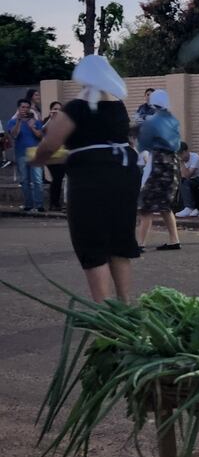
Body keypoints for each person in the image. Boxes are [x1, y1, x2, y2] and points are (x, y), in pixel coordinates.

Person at [31, 55, 140, 302]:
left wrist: (38, 159)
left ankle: (104, 315)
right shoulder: (118, 105)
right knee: (119, 241)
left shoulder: (76, 107)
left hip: (91, 179)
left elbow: (50, 144)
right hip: (124, 174)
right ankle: (126, 306)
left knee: (92, 242)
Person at [136, 90, 182, 251]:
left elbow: (143, 147)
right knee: (164, 205)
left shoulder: (151, 122)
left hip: (159, 164)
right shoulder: (173, 120)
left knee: (145, 206)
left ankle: (139, 244)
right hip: (173, 164)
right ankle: (174, 240)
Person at [6, 98, 44, 211]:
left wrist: (32, 126)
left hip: (35, 153)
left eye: (27, 107)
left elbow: (40, 136)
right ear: (18, 108)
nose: (25, 109)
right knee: (24, 180)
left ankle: (39, 205)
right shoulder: (12, 122)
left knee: (37, 180)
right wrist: (18, 121)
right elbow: (14, 135)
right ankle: (28, 204)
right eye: (23, 107)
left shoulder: (36, 121)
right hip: (21, 153)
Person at [42, 101, 66, 211]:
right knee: (57, 178)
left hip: (61, 153)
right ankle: (54, 203)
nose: (58, 111)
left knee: (59, 179)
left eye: (60, 109)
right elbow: (42, 131)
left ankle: (56, 203)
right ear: (51, 110)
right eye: (55, 109)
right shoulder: (47, 120)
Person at [175, 142, 199, 217]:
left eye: (180, 154)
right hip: (189, 181)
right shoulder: (180, 159)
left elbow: (187, 175)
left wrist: (181, 162)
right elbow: (182, 176)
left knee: (185, 181)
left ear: (185, 151)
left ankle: (189, 207)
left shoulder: (195, 157)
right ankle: (175, 207)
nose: (179, 156)